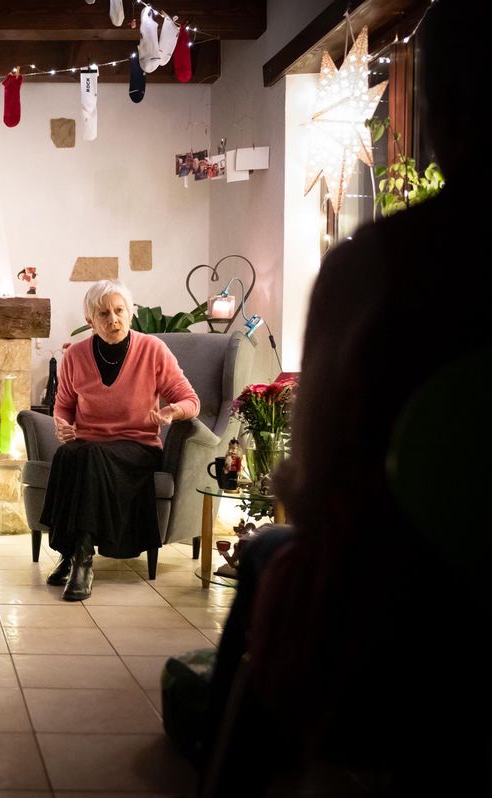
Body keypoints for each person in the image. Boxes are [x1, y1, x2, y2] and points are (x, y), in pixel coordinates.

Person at [204, 1, 489, 793]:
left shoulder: (376, 269)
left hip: (393, 635)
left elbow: (310, 481)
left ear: (434, 108)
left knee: (268, 556)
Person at [40, 280, 199, 600]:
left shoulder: (153, 350)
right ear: (90, 321)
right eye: (103, 313)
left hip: (137, 447)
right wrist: (62, 426)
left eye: (119, 311)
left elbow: (190, 399)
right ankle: (71, 554)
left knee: (87, 456)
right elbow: (64, 405)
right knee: (67, 455)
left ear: (130, 313)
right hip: (90, 445)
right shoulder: (75, 355)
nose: (113, 319)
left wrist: (171, 413)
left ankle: (82, 562)